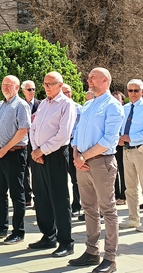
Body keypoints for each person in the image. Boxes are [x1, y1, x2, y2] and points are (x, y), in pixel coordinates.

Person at [69, 68, 125, 273]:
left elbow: (109, 140)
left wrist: (83, 156)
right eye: (89, 76)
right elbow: (77, 132)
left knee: (107, 210)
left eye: (93, 77)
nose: (89, 79)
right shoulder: (88, 104)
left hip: (102, 163)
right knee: (89, 209)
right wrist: (76, 154)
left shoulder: (113, 106)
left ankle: (110, 258)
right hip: (82, 163)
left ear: (105, 80)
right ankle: (92, 251)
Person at [28, 72, 77, 258]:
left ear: (60, 85)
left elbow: (63, 135)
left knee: (59, 198)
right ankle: (48, 235)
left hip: (55, 155)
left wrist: (42, 150)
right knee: (41, 197)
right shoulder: (43, 104)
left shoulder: (66, 104)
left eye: (51, 83)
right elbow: (33, 128)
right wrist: (36, 149)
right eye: (45, 83)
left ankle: (66, 241)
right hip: (38, 155)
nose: (46, 87)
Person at [0, 75, 31, 245]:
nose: (5, 87)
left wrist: (4, 149)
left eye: (9, 85)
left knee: (17, 194)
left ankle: (18, 231)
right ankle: (0, 226)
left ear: (17, 88)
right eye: (3, 84)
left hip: (14, 154)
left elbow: (23, 129)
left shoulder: (21, 105)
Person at [119, 79, 143, 232]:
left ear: (142, 91)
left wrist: (131, 137)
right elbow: (121, 127)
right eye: (130, 90)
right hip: (127, 151)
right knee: (130, 188)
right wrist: (120, 138)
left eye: (136, 90)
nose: (133, 93)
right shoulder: (125, 108)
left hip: (142, 150)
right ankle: (133, 218)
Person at [63, 84, 83, 219]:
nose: (67, 95)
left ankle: (76, 205)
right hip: (59, 146)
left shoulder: (79, 109)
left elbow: (80, 129)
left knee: (75, 179)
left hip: (73, 146)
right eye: (64, 92)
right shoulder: (56, 108)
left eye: (68, 92)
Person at [21, 80, 40, 207]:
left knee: (36, 171)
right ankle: (27, 197)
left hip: (36, 143)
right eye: (29, 89)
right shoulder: (19, 105)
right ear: (23, 91)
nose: (32, 92)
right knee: (23, 171)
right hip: (22, 142)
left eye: (33, 89)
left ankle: (38, 199)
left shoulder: (41, 105)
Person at [111, 90, 127, 206]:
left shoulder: (125, 112)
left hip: (123, 145)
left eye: (118, 99)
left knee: (123, 170)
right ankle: (115, 194)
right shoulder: (109, 111)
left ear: (122, 101)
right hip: (112, 145)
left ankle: (124, 195)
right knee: (113, 171)